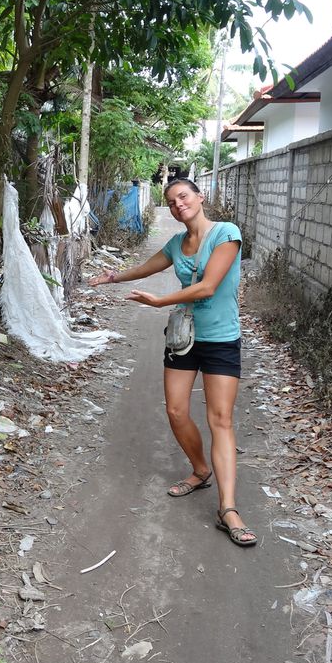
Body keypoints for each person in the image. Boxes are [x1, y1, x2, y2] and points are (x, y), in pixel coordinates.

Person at [88, 178, 256, 547]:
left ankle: (228, 508)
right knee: (176, 411)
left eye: (184, 196)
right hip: (184, 338)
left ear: (200, 197)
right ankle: (200, 470)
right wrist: (112, 276)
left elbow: (209, 286)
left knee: (220, 420)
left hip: (221, 338)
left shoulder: (226, 233)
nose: (179, 204)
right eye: (172, 200)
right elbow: (147, 267)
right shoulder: (177, 243)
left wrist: (159, 302)